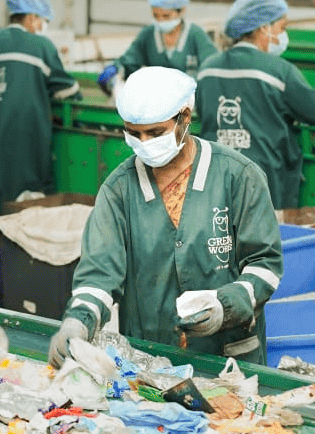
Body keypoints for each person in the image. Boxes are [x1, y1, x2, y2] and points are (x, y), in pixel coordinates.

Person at [48, 68, 284, 367]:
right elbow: (99, 273)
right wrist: (78, 320)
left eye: (155, 132)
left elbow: (265, 263)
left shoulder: (238, 176)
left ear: (185, 118)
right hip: (152, 361)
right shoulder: (119, 191)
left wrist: (228, 305)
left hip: (229, 358)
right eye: (134, 133)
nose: (144, 142)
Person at [194, 0, 315, 209]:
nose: (283, 35)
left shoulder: (207, 70)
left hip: (217, 174)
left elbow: (204, 113)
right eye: (282, 27)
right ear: (264, 28)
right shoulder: (278, 72)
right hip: (264, 179)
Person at [0, 0, 82, 213]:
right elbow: (68, 90)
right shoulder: (41, 46)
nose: (43, 27)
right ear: (31, 18)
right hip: (23, 140)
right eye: (43, 21)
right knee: (23, 204)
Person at [116, 0, 217, 79]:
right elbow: (129, 61)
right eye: (155, 15)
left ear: (181, 11)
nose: (160, 20)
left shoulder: (196, 34)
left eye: (166, 16)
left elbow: (212, 66)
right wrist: (115, 68)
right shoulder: (148, 34)